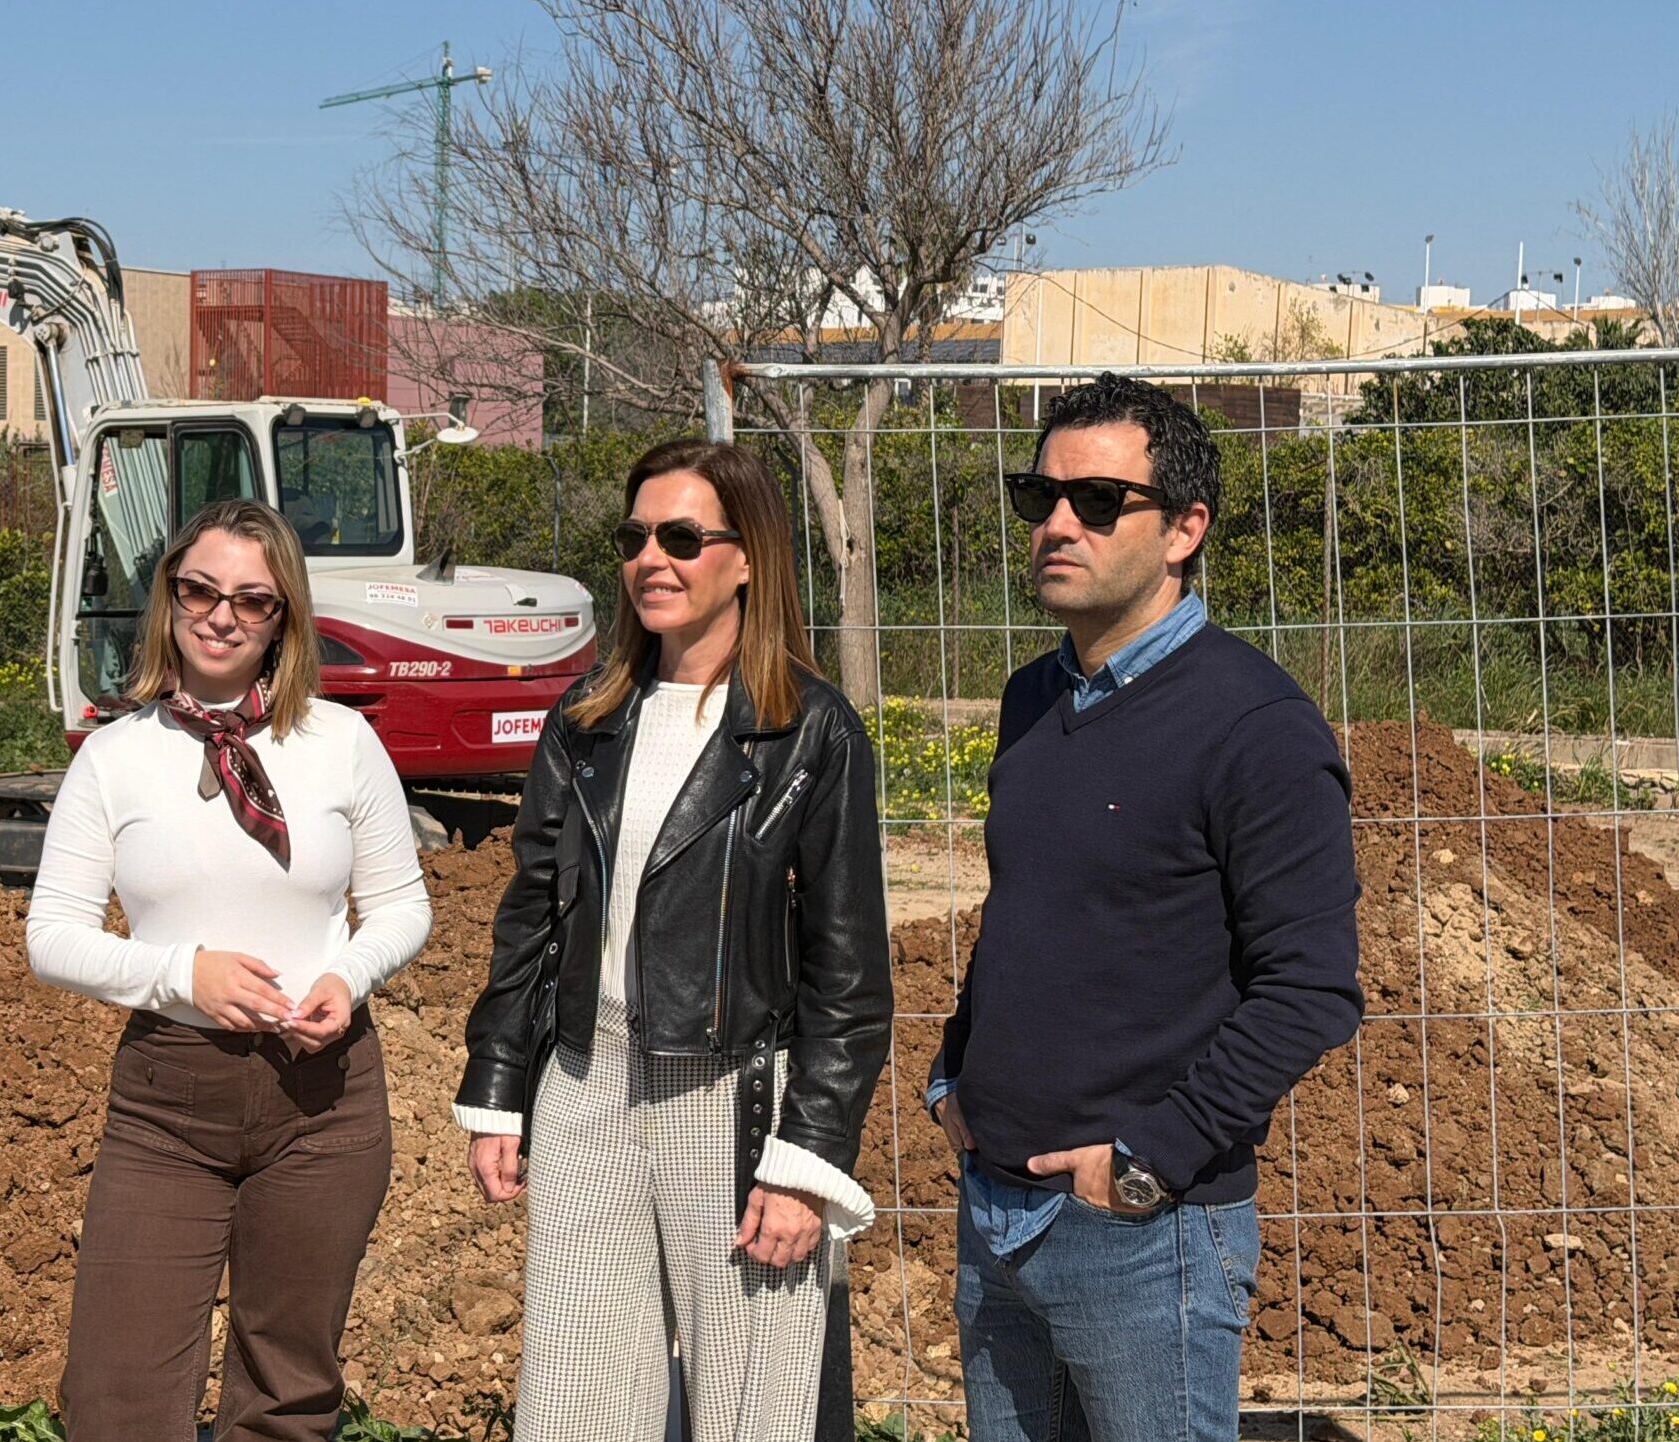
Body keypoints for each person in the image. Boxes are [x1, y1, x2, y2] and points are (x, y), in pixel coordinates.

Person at [930, 374, 1363, 1442]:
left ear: (1184, 529)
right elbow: (1029, 908)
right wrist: (956, 1070)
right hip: (995, 1203)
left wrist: (1147, 1160)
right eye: (1040, 497)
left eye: (1097, 501)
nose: (1057, 524)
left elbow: (1309, 986)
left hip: (1140, 1232)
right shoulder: (1034, 697)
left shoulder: (1255, 724)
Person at [455, 439, 893, 1441]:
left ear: (748, 558)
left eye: (682, 536)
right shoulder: (586, 720)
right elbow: (532, 913)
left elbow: (849, 974)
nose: (651, 556)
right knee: (576, 1403)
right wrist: (498, 1087)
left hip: (734, 1099)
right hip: (586, 1087)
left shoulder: (811, 733)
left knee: (757, 1412)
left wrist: (805, 1155)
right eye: (634, 536)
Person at [26, 498, 433, 1441]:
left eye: (253, 601)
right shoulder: (115, 757)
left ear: (283, 617)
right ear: (168, 598)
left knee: (286, 1393)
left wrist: (349, 975)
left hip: (323, 1102)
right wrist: (182, 975)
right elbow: (53, 935)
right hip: (169, 1105)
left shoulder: (341, 745)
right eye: (201, 590)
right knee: (117, 1400)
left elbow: (404, 906)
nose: (222, 616)